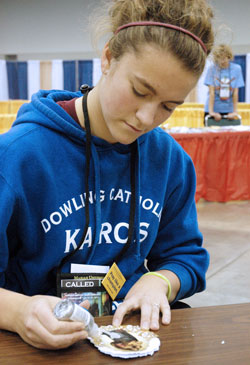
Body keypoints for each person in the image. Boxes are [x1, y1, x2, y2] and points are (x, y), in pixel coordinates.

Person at [0, 0, 214, 350]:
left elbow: (185, 256)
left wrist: (159, 281)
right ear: (109, 57)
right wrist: (19, 311)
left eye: (168, 107)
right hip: (36, 346)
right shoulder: (16, 158)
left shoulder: (170, 161)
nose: (146, 118)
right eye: (140, 91)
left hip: (129, 336)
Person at [204, 44, 244, 122]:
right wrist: (211, 112)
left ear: (229, 57)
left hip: (229, 110)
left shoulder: (237, 69)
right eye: (219, 58)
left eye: (224, 58)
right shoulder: (212, 69)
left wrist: (235, 111)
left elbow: (235, 93)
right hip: (213, 109)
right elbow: (211, 92)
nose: (221, 61)